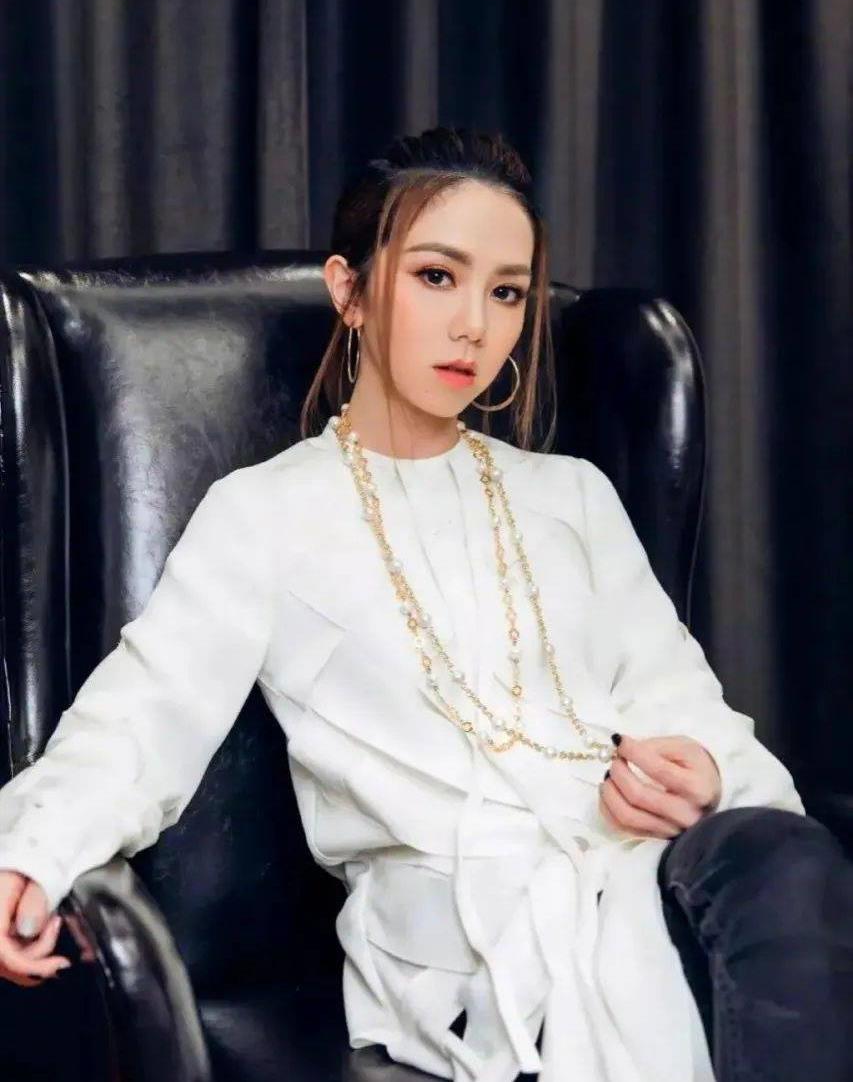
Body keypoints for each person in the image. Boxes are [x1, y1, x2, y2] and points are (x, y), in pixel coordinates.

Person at [0, 125, 850, 1082]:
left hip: (638, 873)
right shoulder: (266, 514)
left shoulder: (571, 495)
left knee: (782, 861)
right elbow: (143, 718)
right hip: (462, 943)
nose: (474, 326)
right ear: (350, 290)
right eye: (437, 277)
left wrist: (702, 775)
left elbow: (683, 703)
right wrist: (28, 853)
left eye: (506, 292)